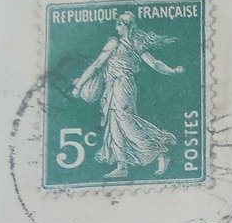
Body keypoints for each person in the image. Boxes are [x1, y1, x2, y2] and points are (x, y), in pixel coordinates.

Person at [71, 12, 185, 178]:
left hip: (121, 85)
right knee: (114, 123)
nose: (116, 27)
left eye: (119, 24)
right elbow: (155, 64)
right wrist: (172, 71)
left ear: (125, 25)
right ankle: (122, 165)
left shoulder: (115, 43)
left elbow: (96, 65)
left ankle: (159, 151)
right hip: (115, 86)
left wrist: (79, 85)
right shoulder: (136, 43)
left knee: (124, 121)